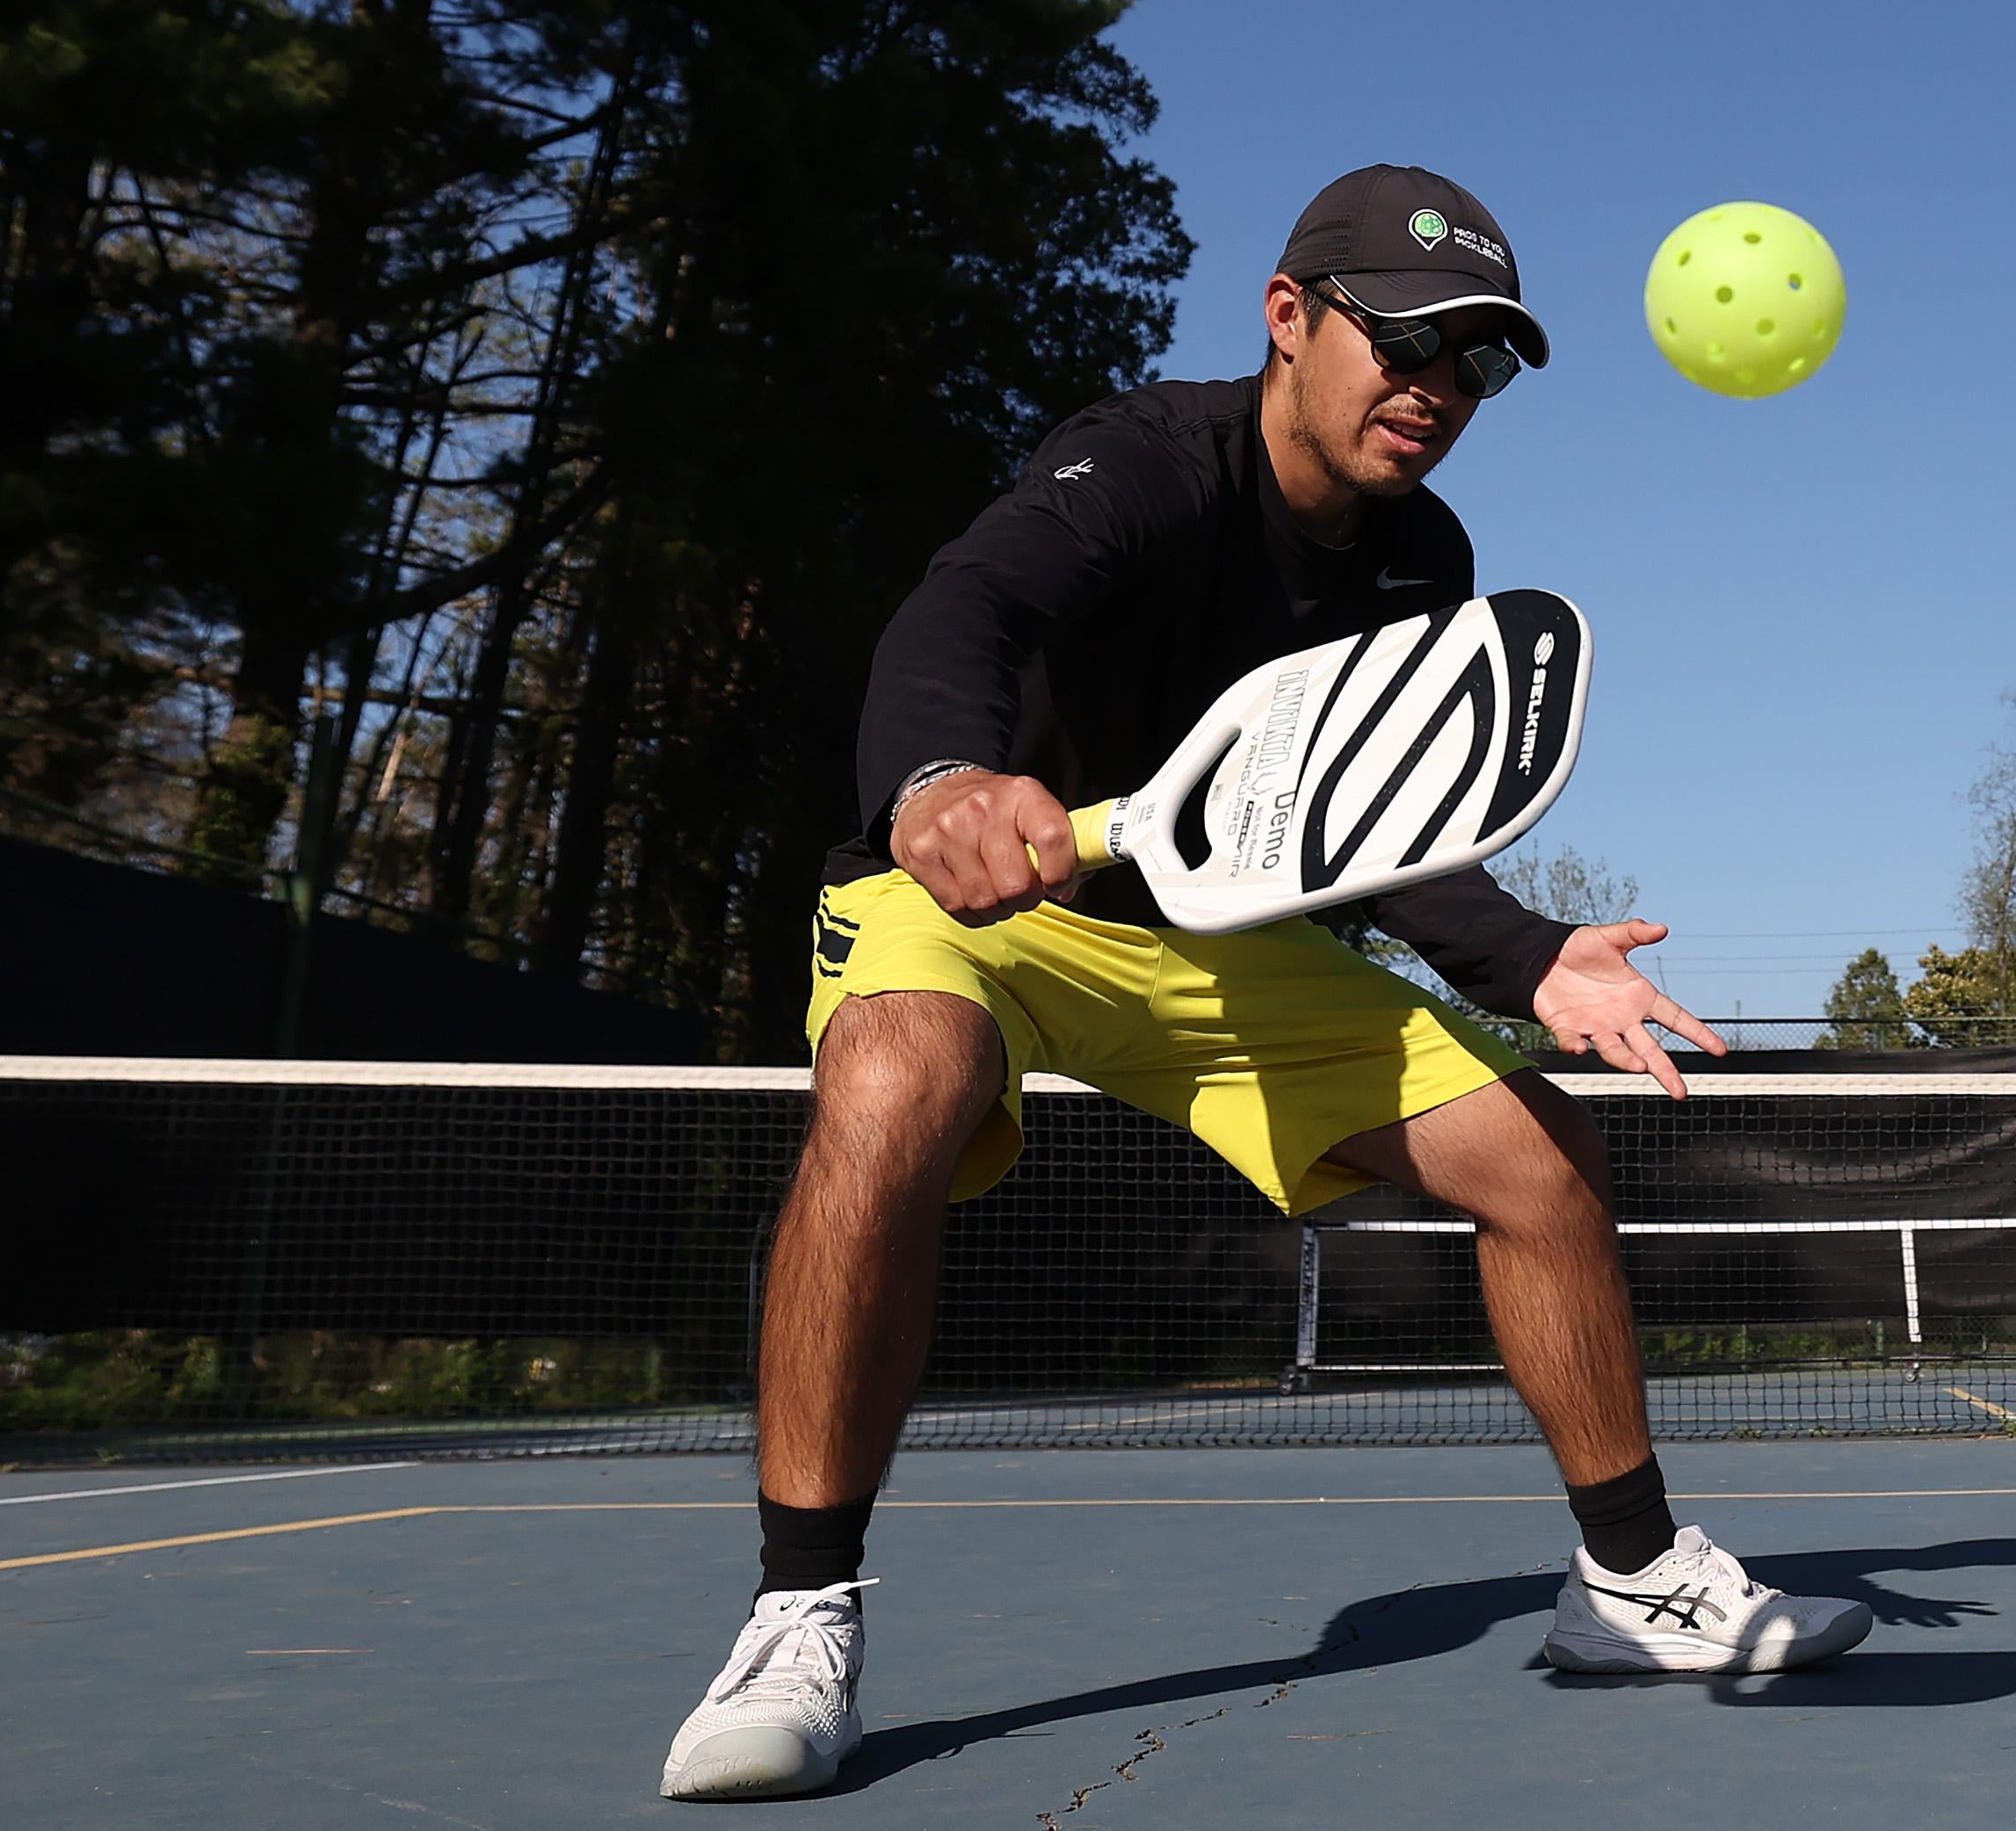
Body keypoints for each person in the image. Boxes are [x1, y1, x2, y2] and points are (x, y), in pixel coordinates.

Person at [658, 164, 1872, 1803]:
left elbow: (1379, 829)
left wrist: (1529, 957)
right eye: (1408, 343)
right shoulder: (1145, 459)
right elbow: (973, 600)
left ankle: (1630, 1583)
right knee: (891, 1089)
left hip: (1219, 945)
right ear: (1289, 319)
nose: (1438, 390)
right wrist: (942, 779)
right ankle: (800, 1610)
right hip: (984, 901)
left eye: (1478, 365)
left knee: (1537, 1161)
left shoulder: (1421, 555)